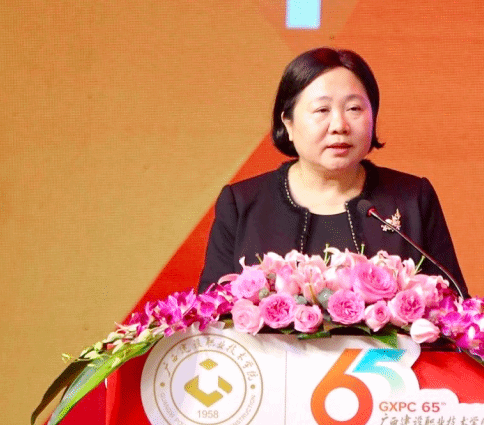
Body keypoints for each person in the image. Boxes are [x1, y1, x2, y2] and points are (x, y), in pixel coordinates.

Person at [198, 47, 467, 297]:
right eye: (322, 110)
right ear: (288, 123)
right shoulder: (242, 203)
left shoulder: (413, 198)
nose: (339, 125)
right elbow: (211, 311)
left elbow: (454, 306)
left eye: (354, 109)